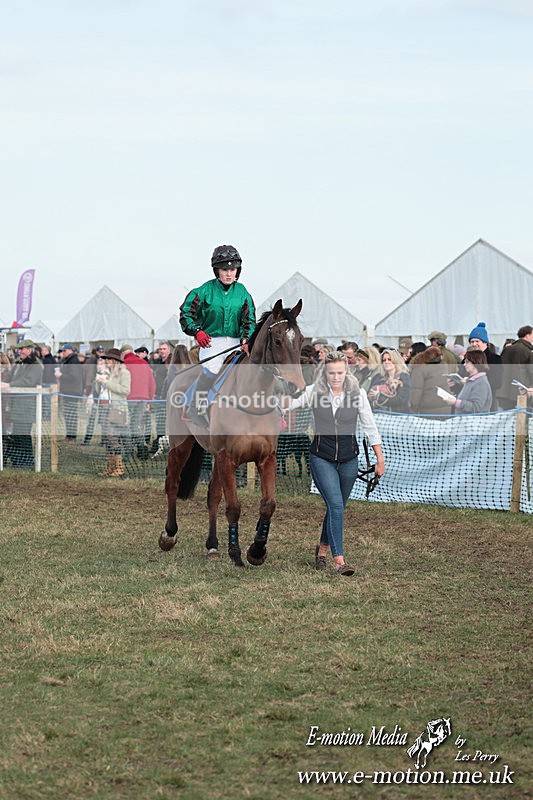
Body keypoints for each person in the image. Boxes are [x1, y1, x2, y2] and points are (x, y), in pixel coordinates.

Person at [281, 352, 385, 576]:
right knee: (336, 505)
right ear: (324, 372)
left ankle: (322, 550)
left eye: (339, 372)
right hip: (321, 456)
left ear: (346, 371)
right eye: (331, 373)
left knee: (336, 507)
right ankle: (339, 561)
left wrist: (380, 458)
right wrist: (276, 401)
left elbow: (370, 426)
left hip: (349, 459)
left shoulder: (358, 394)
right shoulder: (313, 391)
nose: (336, 377)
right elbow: (289, 404)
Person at [179, 244, 256, 426]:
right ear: (216, 271)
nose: (229, 273)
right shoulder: (204, 291)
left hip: (238, 343)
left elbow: (250, 319)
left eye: (233, 269)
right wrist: (197, 331)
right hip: (211, 343)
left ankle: (275, 411)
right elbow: (185, 313)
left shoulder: (243, 292)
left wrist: (246, 338)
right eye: (225, 269)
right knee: (213, 370)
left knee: (256, 371)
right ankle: (195, 407)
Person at [0, 339, 44, 468]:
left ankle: (27, 462)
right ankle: (18, 460)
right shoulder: (18, 363)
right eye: (19, 349)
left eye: (22, 349)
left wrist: (9, 384)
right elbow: (9, 377)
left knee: (24, 435)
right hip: (15, 406)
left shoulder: (36, 365)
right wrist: (5, 383)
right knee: (17, 435)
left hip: (26, 406)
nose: (20, 352)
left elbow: (29, 381)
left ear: (29, 350)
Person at [95, 348, 131, 477]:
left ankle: (119, 467)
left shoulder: (124, 373)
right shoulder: (106, 372)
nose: (107, 361)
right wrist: (99, 380)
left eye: (109, 359)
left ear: (116, 360)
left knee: (113, 438)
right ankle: (110, 467)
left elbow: (125, 391)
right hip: (104, 408)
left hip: (117, 409)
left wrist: (107, 383)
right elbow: (100, 390)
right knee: (106, 439)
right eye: (106, 359)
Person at [121, 344, 156, 459]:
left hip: (129, 397)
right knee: (136, 424)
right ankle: (141, 449)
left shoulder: (124, 364)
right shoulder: (144, 363)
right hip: (143, 398)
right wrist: (149, 401)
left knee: (125, 424)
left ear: (123, 354)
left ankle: (128, 451)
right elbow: (153, 384)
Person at [467, 322, 502, 411]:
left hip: (487, 402)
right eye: (472, 341)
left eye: (477, 341)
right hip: (468, 402)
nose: (474, 344)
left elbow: (497, 383)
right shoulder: (467, 358)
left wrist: (474, 381)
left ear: (485, 342)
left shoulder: (495, 359)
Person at [409, 345, 451, 417]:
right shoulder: (444, 367)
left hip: (426, 410)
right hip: (445, 407)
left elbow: (416, 392)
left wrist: (413, 410)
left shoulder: (418, 370)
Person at [499, 325, 533, 410]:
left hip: (505, 391)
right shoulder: (528, 351)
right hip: (522, 391)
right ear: (527, 335)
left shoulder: (507, 349)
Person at [55, 343, 84, 439]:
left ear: (70, 350)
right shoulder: (69, 360)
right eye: (62, 351)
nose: (63, 352)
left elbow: (73, 377)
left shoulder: (73, 361)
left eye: (65, 350)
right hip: (69, 390)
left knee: (71, 414)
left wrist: (61, 375)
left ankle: (72, 436)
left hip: (72, 391)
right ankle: (69, 435)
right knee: (68, 414)